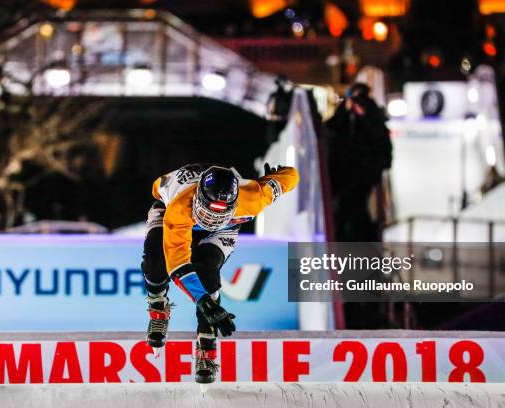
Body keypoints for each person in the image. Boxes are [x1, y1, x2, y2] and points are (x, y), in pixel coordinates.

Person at [141, 162, 299, 383]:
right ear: (197, 197)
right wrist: (206, 303)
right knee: (156, 263)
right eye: (208, 212)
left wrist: (278, 176)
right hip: (173, 213)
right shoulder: (179, 208)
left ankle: (207, 343)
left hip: (224, 229)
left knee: (206, 271)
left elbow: (290, 177)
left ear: (234, 204)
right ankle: (157, 305)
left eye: (218, 213)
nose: (210, 221)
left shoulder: (254, 196)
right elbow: (176, 265)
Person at [325, 83, 392, 242]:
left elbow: (383, 151)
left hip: (363, 181)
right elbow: (330, 132)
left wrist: (366, 116)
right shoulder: (341, 119)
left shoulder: (373, 119)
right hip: (341, 179)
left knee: (358, 219)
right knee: (342, 219)